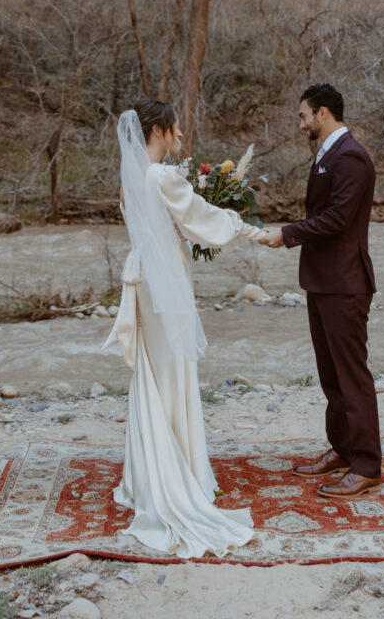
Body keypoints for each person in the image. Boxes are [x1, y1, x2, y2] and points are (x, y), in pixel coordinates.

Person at [103, 100, 264, 557]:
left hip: (145, 284)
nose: (178, 139)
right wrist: (252, 230)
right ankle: (178, 478)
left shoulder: (131, 181)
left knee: (152, 377)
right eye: (173, 131)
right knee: (173, 374)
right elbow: (200, 219)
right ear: (156, 130)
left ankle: (144, 477)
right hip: (166, 286)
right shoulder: (160, 177)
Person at [260, 84, 382, 499]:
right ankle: (344, 450)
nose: (300, 123)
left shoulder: (351, 156)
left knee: (352, 377)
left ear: (323, 113)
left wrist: (287, 234)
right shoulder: (329, 154)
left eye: (303, 116)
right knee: (331, 376)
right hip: (323, 281)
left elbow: (337, 219)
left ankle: (366, 465)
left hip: (346, 284)